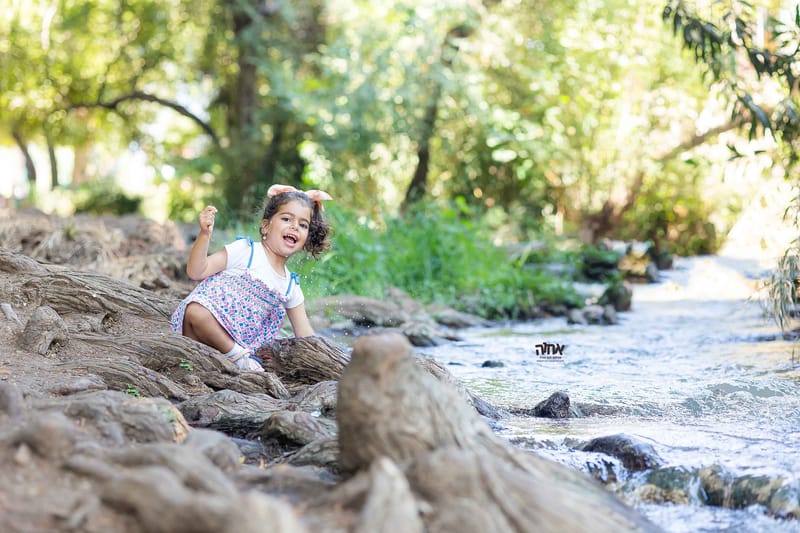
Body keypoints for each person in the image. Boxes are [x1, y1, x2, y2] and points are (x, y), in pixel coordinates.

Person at [171, 184, 332, 371]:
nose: (295, 226)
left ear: (307, 238)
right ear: (266, 226)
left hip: (240, 342)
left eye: (303, 225)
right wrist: (205, 235)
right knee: (196, 311)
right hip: (202, 332)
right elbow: (196, 271)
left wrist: (330, 356)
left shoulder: (290, 287)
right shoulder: (246, 251)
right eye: (287, 218)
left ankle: (236, 357)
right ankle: (238, 357)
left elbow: (305, 335)